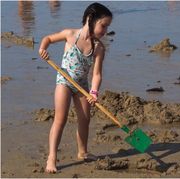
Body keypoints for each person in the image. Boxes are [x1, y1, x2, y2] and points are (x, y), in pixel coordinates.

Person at [38, 2, 112, 173]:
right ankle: (51, 158)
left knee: (85, 119)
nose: (105, 31)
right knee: (60, 119)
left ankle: (83, 152)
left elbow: (96, 74)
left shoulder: (99, 47)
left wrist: (93, 92)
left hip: (82, 86)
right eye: (103, 25)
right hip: (64, 81)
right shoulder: (70, 34)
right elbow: (48, 39)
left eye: (107, 27)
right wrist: (43, 49)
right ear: (90, 19)